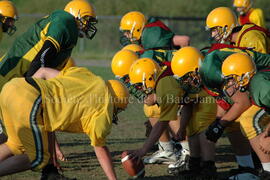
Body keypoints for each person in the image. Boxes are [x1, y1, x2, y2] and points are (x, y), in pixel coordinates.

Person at [0, 0, 97, 159]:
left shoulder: (65, 26)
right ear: (77, 15)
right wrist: (30, 89)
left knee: (23, 141)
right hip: (8, 80)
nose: (88, 25)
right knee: (18, 142)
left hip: (14, 81)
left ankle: (50, 168)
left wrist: (54, 150)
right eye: (88, 20)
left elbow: (47, 112)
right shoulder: (65, 22)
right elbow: (40, 60)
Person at [0, 66, 129, 180]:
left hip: (13, 87)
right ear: (114, 104)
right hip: (29, 99)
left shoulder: (87, 75)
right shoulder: (104, 108)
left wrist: (23, 92)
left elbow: (43, 71)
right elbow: (100, 148)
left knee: (15, 145)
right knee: (38, 159)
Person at [126, 57, 217, 179]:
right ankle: (195, 167)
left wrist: (144, 149)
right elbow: (186, 103)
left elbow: (163, 121)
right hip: (196, 100)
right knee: (193, 130)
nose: (140, 88)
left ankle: (208, 169)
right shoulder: (163, 77)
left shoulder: (165, 85)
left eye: (139, 85)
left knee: (200, 131)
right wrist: (182, 127)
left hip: (206, 99)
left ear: (149, 77)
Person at [119, 11, 190, 165]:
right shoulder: (147, 54)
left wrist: (185, 62)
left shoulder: (151, 39)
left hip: (180, 79)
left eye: (127, 31)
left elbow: (184, 41)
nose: (125, 35)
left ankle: (188, 151)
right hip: (171, 79)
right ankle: (167, 150)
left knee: (165, 105)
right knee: (151, 107)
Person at [221, 52, 270, 179]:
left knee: (251, 120)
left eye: (232, 78)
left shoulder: (262, 88)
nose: (230, 83)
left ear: (245, 76)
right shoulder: (256, 84)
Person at [206, 7, 270, 54]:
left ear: (226, 27)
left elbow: (263, 66)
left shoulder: (251, 38)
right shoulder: (235, 41)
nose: (212, 35)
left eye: (214, 30)